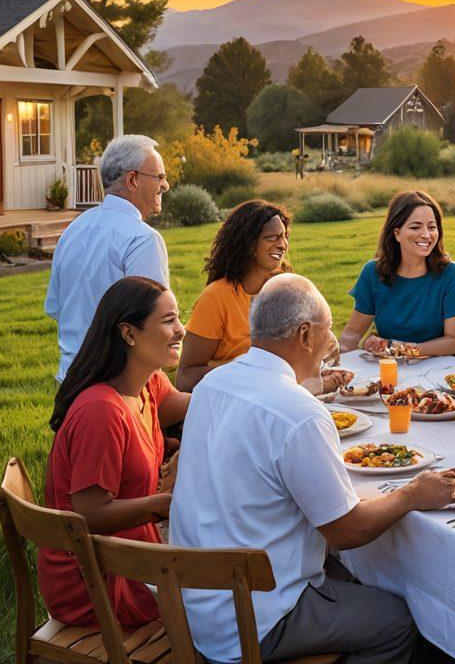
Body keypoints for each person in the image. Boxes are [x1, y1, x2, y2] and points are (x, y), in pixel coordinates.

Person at [170, 273, 455, 664]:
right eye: (327, 329)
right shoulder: (299, 412)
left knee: (354, 578)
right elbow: (347, 531)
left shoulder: (213, 384)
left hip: (197, 600)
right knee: (399, 621)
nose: (331, 341)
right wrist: (412, 494)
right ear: (305, 334)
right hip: (253, 619)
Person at [39, 276, 190, 627]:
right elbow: (90, 513)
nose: (181, 330)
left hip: (128, 552)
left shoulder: (147, 385)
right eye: (169, 321)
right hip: (96, 582)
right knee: (230, 597)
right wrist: (165, 504)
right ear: (128, 333)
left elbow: (194, 406)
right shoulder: (102, 411)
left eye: (178, 318)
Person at [177, 200, 351, 395]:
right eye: (272, 237)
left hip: (279, 393)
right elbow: (186, 377)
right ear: (249, 244)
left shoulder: (284, 288)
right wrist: (251, 374)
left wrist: (317, 366)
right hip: (235, 400)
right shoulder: (215, 298)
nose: (282, 245)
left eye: (284, 236)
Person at [45, 135, 171, 383]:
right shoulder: (143, 239)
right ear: (133, 180)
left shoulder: (73, 229)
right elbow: (155, 324)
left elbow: (54, 307)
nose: (165, 185)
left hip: (70, 379)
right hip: (118, 383)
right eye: (159, 177)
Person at [339, 190, 455, 357]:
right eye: (415, 227)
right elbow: (352, 333)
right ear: (397, 233)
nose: (426, 235)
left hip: (438, 368)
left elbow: (454, 341)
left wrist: (403, 349)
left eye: (432, 227)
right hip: (388, 367)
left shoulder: (452, 275)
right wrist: (336, 360)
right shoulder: (373, 272)